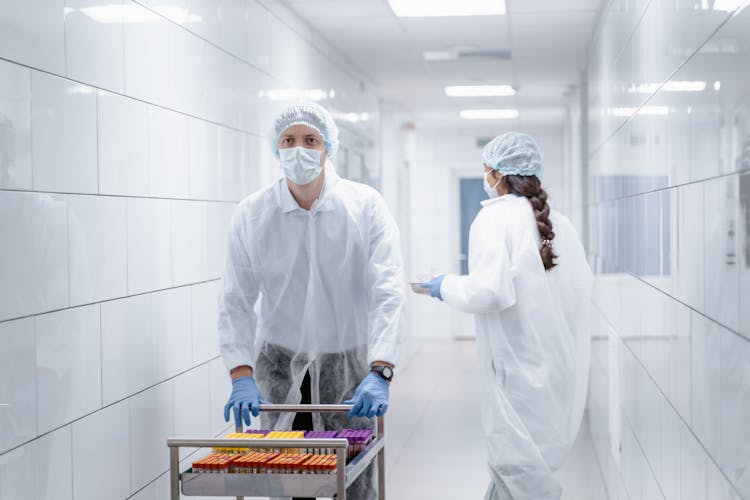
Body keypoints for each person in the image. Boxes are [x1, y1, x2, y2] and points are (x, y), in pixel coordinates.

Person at [218, 102, 405, 500]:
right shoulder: (253, 214)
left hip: (351, 376)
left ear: (328, 147)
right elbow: (235, 298)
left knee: (354, 481)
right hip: (280, 372)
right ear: (275, 147)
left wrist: (381, 370)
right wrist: (241, 375)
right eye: (289, 140)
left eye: (310, 140)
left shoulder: (364, 206)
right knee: (288, 481)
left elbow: (388, 290)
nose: (299, 149)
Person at [421, 132, 592, 500]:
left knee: (518, 470)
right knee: (535, 469)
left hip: (517, 372)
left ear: (497, 174)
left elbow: (489, 291)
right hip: (558, 366)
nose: (486, 178)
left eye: (486, 170)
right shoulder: (562, 223)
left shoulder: (494, 219)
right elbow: (579, 292)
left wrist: (444, 285)